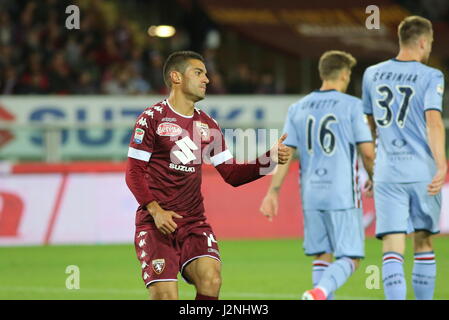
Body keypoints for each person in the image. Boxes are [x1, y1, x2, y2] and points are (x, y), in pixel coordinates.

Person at [125, 51, 290, 300]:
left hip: (193, 223)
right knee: (166, 297)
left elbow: (232, 173)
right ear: (176, 77)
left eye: (206, 73)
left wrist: (269, 158)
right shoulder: (152, 119)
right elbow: (133, 173)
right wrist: (155, 210)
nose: (207, 79)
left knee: (211, 279)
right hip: (157, 222)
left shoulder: (208, 125)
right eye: (199, 73)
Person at [259, 50, 375, 300]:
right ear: (344, 74)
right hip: (342, 193)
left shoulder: (297, 108)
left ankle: (317, 294)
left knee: (322, 255)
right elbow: (367, 152)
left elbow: (285, 153)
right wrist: (375, 178)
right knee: (351, 257)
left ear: (322, 73)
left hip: (311, 194)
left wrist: (273, 191)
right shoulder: (353, 106)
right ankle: (320, 291)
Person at [362, 16, 446, 300]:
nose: (430, 48)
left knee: (393, 245)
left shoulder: (372, 74)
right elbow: (433, 122)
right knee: (423, 242)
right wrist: (441, 163)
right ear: (423, 41)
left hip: (387, 172)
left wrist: (372, 172)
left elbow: (369, 127)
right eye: (431, 43)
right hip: (421, 171)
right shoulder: (431, 75)